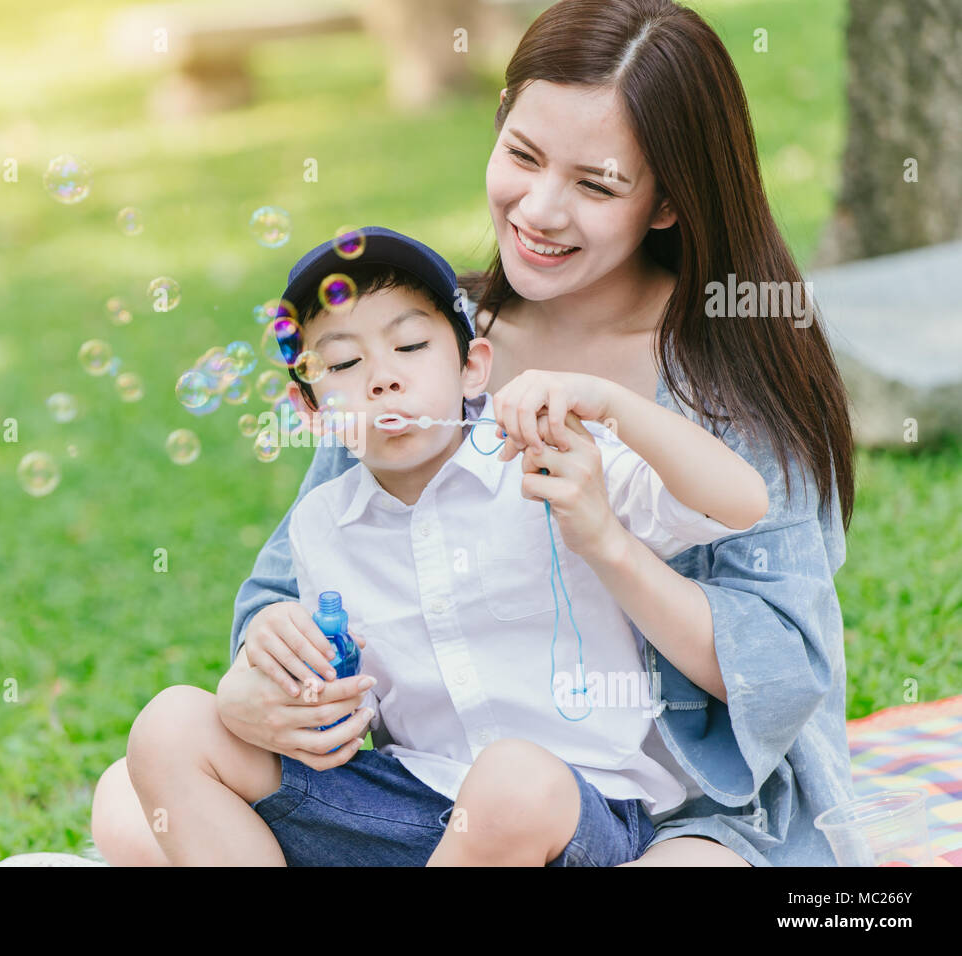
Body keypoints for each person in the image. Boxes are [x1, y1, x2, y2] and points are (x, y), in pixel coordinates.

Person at [92, 0, 857, 866]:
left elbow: (781, 673)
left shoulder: (722, 379)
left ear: (669, 201)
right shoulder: (421, 339)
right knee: (133, 795)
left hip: (682, 809)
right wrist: (252, 694)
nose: (539, 208)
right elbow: (301, 588)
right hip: (453, 798)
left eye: (595, 184)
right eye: (522, 156)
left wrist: (608, 543)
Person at [118, 226, 769, 865]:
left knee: (511, 779)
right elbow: (356, 711)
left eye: (409, 345)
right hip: (412, 807)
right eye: (343, 363)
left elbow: (738, 502)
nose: (381, 379)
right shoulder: (321, 526)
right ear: (311, 412)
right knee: (170, 725)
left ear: (472, 369)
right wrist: (303, 686)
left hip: (572, 810)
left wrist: (605, 402)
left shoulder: (550, 461)